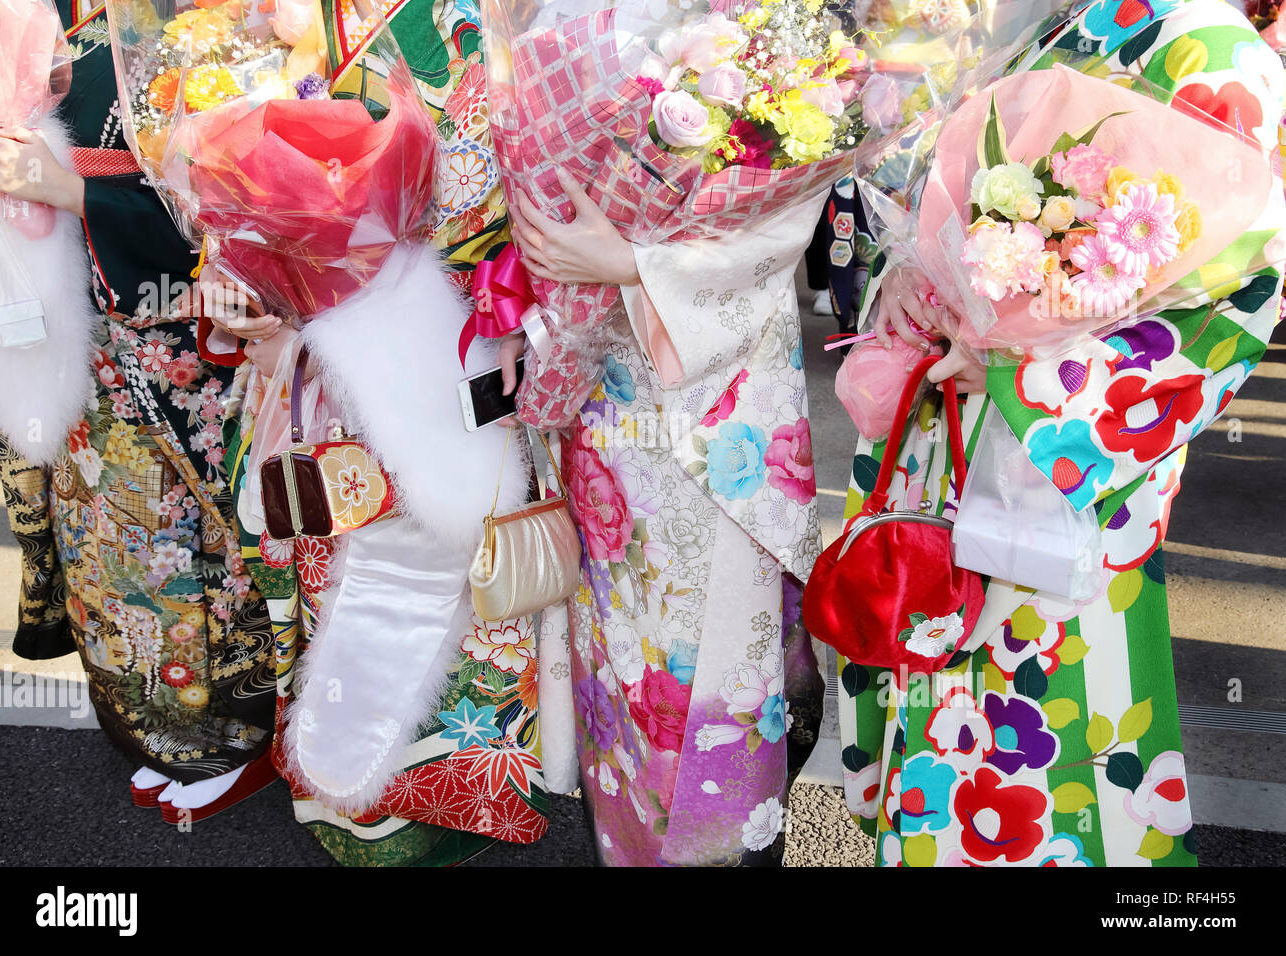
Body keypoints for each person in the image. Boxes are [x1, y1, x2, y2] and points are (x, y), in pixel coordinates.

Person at [835, 0, 1286, 866]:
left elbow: (1241, 290)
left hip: (1060, 454)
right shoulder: (1051, 23)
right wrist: (912, 289)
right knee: (931, 666)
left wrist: (1024, 374)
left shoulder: (1212, 49)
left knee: (1040, 723)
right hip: (954, 418)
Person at [200, 0, 550, 866]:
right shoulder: (281, 22)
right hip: (324, 355)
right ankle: (348, 798)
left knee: (458, 566)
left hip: (455, 335)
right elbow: (238, 196)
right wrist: (244, 286)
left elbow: (513, 192)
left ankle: (457, 795)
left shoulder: (485, 24)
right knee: (334, 555)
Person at [0, 1, 276, 820]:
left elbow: (231, 214)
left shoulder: (218, 34)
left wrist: (68, 189)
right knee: (105, 554)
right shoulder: (76, 31)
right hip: (88, 342)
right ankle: (149, 729)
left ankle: (233, 737)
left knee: (187, 559)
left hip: (176, 346)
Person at [505, 161, 828, 864]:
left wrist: (638, 264)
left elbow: (782, 214)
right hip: (605, 379)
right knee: (617, 625)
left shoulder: (778, 74)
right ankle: (624, 837)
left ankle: (718, 839)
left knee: (708, 625)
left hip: (718, 396)